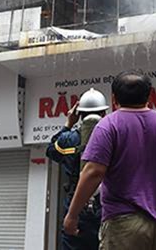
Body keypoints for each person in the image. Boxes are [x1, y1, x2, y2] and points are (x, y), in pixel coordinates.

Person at [64, 72, 156, 250]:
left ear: (113, 98)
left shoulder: (108, 126)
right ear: (150, 96)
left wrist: (72, 215)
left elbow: (94, 172)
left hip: (124, 226)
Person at [46, 88, 108, 250]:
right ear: (104, 113)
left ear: (79, 113)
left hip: (76, 206)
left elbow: (51, 150)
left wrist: (68, 123)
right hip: (107, 206)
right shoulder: (114, 136)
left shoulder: (68, 139)